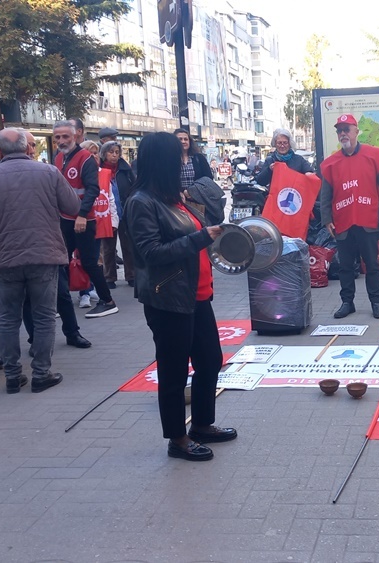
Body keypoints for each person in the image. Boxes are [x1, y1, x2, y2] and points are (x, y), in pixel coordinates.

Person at [124, 131, 237, 462]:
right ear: (163, 162)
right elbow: (149, 253)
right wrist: (201, 237)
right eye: (178, 157)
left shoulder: (174, 197)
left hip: (196, 294)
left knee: (210, 360)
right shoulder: (141, 201)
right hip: (168, 298)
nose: (183, 161)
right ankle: (178, 438)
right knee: (174, 372)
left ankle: (202, 424)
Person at [0, 128, 81, 394]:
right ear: (26, 147)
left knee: (7, 316)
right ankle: (41, 373)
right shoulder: (48, 172)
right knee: (44, 317)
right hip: (43, 254)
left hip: (5, 256)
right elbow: (73, 206)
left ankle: (12, 374)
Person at [19, 129, 92, 351]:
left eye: (33, 145)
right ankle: (35, 341)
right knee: (27, 298)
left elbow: (71, 203)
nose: (32, 150)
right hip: (21, 246)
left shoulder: (48, 170)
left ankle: (71, 332)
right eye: (29, 145)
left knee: (60, 291)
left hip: (47, 240)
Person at [319, 114, 379, 319]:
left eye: (347, 129)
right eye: (339, 130)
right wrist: (326, 219)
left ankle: (376, 302)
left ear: (356, 131)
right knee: (345, 267)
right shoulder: (331, 164)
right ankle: (347, 302)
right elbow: (325, 194)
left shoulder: (373, 156)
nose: (343, 133)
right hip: (343, 222)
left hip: (368, 220)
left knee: (372, 265)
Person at [53, 120, 118, 318]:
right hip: (65, 219)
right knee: (60, 261)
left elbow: (93, 189)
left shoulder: (85, 159)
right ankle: (58, 303)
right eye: (57, 137)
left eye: (66, 136)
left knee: (89, 262)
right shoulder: (58, 159)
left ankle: (108, 301)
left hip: (84, 220)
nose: (62, 140)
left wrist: (82, 215)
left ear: (75, 136)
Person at [99, 141, 133, 288]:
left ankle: (131, 275)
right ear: (104, 153)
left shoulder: (125, 170)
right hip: (107, 213)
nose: (114, 155)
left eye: (117, 152)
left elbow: (134, 187)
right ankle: (109, 277)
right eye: (111, 152)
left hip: (125, 212)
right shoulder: (98, 170)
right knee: (108, 247)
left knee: (128, 245)